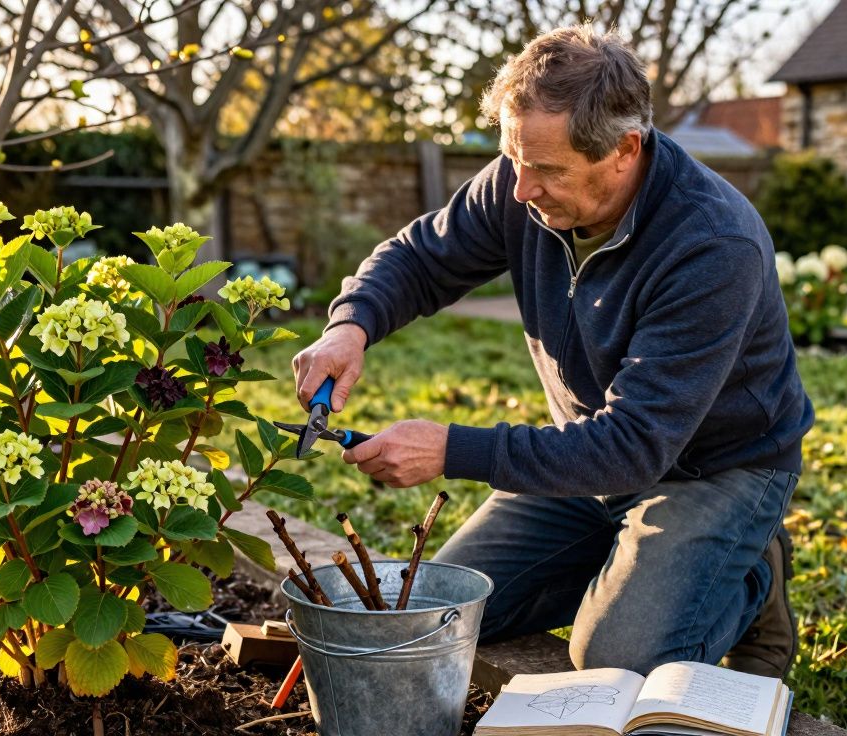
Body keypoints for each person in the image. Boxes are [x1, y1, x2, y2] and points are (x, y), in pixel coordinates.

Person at [290, 24, 814, 679]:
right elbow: (422, 258)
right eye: (513, 159)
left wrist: (452, 449)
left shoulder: (712, 245)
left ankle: (749, 575)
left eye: (544, 169)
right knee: (440, 610)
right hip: (586, 457)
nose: (519, 190)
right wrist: (350, 324)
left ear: (624, 149)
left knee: (618, 658)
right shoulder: (524, 181)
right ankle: (644, 563)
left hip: (715, 469)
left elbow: (636, 446)